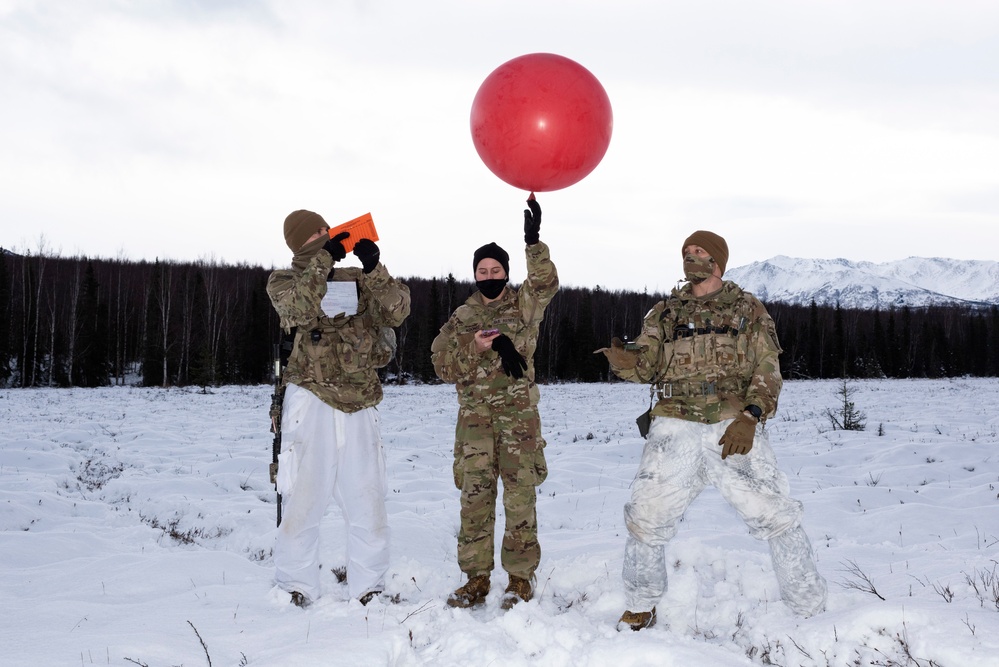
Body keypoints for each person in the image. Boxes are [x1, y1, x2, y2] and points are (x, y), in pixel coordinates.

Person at [598, 230, 827, 630]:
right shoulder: (665, 312)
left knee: (774, 513)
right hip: (674, 423)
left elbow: (767, 366)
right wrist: (624, 360)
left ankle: (809, 605)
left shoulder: (747, 308)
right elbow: (647, 364)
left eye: (698, 252)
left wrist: (751, 416)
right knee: (645, 514)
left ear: (717, 261)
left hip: (731, 422)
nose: (690, 258)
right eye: (686, 252)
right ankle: (641, 603)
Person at [267, 209, 410, 608]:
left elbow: (398, 311)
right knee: (304, 497)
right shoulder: (284, 280)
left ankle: (370, 587)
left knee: (367, 498)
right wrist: (324, 260)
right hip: (309, 398)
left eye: (327, 229)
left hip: (360, 401)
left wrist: (375, 268)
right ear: (299, 241)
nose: (326, 233)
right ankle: (295, 585)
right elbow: (295, 310)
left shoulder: (357, 280)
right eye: (316, 232)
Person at [431, 195, 559, 610]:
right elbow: (442, 365)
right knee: (475, 499)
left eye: (496, 269)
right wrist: (473, 347)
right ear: (475, 274)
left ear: (506, 272)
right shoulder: (461, 317)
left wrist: (533, 242)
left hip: (518, 421)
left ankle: (520, 579)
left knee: (520, 497)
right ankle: (476, 579)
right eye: (482, 270)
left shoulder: (524, 306)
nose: (489, 275)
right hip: (474, 425)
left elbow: (545, 284)